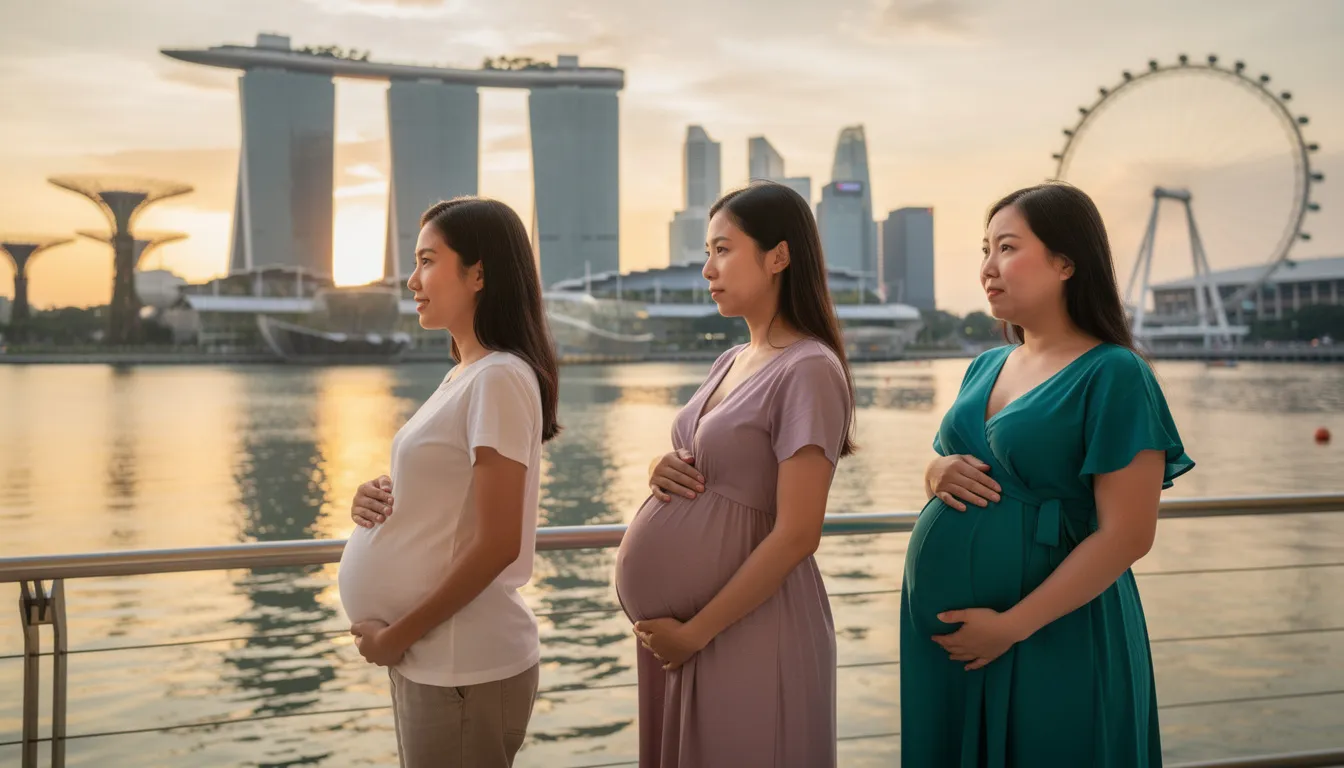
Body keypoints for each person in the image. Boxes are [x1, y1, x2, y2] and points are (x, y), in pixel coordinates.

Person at [900, 182, 1195, 766]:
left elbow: (1128, 534)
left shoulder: (1115, 374)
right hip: (950, 648)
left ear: (1065, 261)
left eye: (1007, 248)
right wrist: (934, 470)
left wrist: (1011, 626)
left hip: (1054, 632)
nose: (988, 267)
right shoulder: (985, 365)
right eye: (984, 250)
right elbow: (952, 461)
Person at [614, 180, 856, 767]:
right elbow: (714, 457)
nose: (707, 270)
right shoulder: (732, 359)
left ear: (778, 256)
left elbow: (799, 532)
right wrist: (659, 466)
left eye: (723, 250)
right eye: (706, 252)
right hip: (688, 638)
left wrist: (695, 633)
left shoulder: (809, 368)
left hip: (746, 629)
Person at [339, 197, 560, 768]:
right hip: (438, 660)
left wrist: (397, 636)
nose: (412, 280)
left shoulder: (499, 377)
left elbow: (496, 543)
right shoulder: (466, 374)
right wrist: (378, 498)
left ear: (479, 272)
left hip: (461, 663)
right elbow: (451, 495)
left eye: (428, 261)